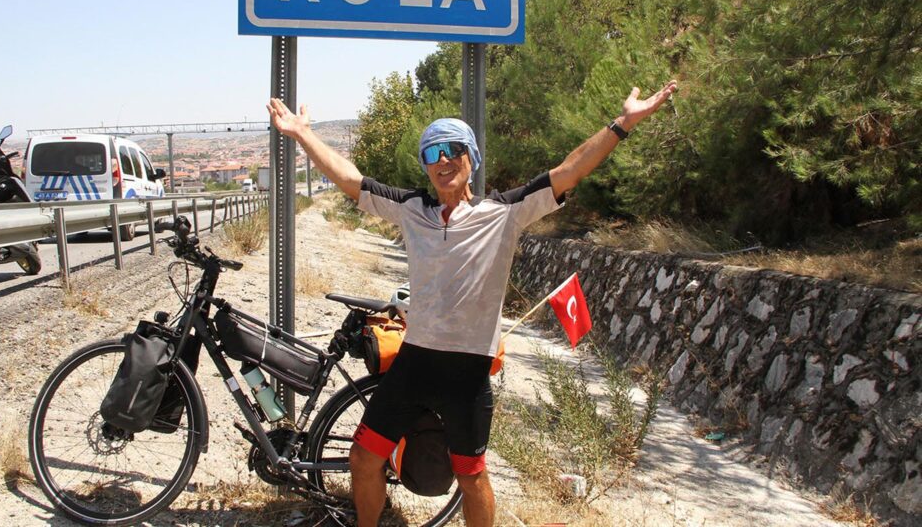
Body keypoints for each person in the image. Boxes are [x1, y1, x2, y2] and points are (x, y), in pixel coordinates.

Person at [267, 80, 677, 527]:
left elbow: (569, 171)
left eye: (453, 149)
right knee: (364, 458)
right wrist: (303, 134)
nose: (442, 160)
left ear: (472, 157)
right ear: (425, 165)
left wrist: (622, 124)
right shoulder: (411, 209)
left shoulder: (504, 213)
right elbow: (351, 180)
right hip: (415, 361)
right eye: (432, 152)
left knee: (471, 476)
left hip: (467, 372)